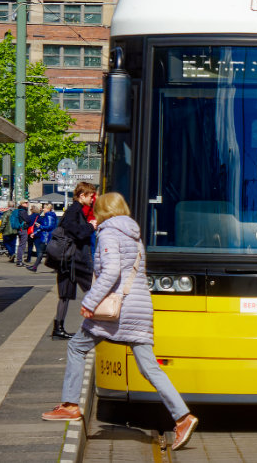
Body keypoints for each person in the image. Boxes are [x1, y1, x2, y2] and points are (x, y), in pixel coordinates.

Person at [41, 192, 199, 451]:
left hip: (116, 310)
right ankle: (183, 417)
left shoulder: (108, 233)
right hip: (138, 308)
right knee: (149, 368)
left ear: (103, 210)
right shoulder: (133, 234)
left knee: (76, 347)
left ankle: (70, 406)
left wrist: (90, 302)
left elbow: (112, 270)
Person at [52, 183, 97, 340]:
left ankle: (58, 327)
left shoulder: (73, 210)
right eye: (91, 196)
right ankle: (97, 325)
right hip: (75, 260)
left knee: (65, 294)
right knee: (94, 289)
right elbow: (76, 232)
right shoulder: (75, 210)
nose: (93, 199)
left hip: (69, 260)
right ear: (82, 195)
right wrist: (90, 227)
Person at [28, 203, 58, 273]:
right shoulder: (46, 216)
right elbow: (43, 226)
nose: (43, 209)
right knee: (44, 253)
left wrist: (40, 226)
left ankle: (35, 267)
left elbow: (49, 226)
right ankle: (35, 267)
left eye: (44, 208)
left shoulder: (49, 216)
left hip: (47, 237)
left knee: (47, 253)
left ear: (48, 209)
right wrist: (34, 232)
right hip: (45, 237)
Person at [13, 201, 32, 267]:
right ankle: (19, 261)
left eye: (27, 202)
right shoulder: (23, 211)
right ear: (22, 204)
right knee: (22, 245)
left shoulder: (19, 210)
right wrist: (27, 220)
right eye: (25, 203)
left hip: (19, 229)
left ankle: (19, 260)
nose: (27, 204)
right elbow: (28, 220)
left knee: (21, 245)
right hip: (23, 229)